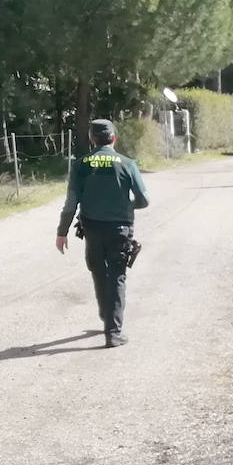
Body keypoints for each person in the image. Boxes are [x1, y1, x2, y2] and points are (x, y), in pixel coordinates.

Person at [55, 119, 149, 347]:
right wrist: (127, 206)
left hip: (92, 229)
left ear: (91, 139)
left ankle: (107, 317)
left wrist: (62, 232)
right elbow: (144, 200)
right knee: (116, 276)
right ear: (114, 139)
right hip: (120, 230)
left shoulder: (81, 164)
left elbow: (71, 203)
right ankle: (113, 332)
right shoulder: (127, 164)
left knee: (98, 273)